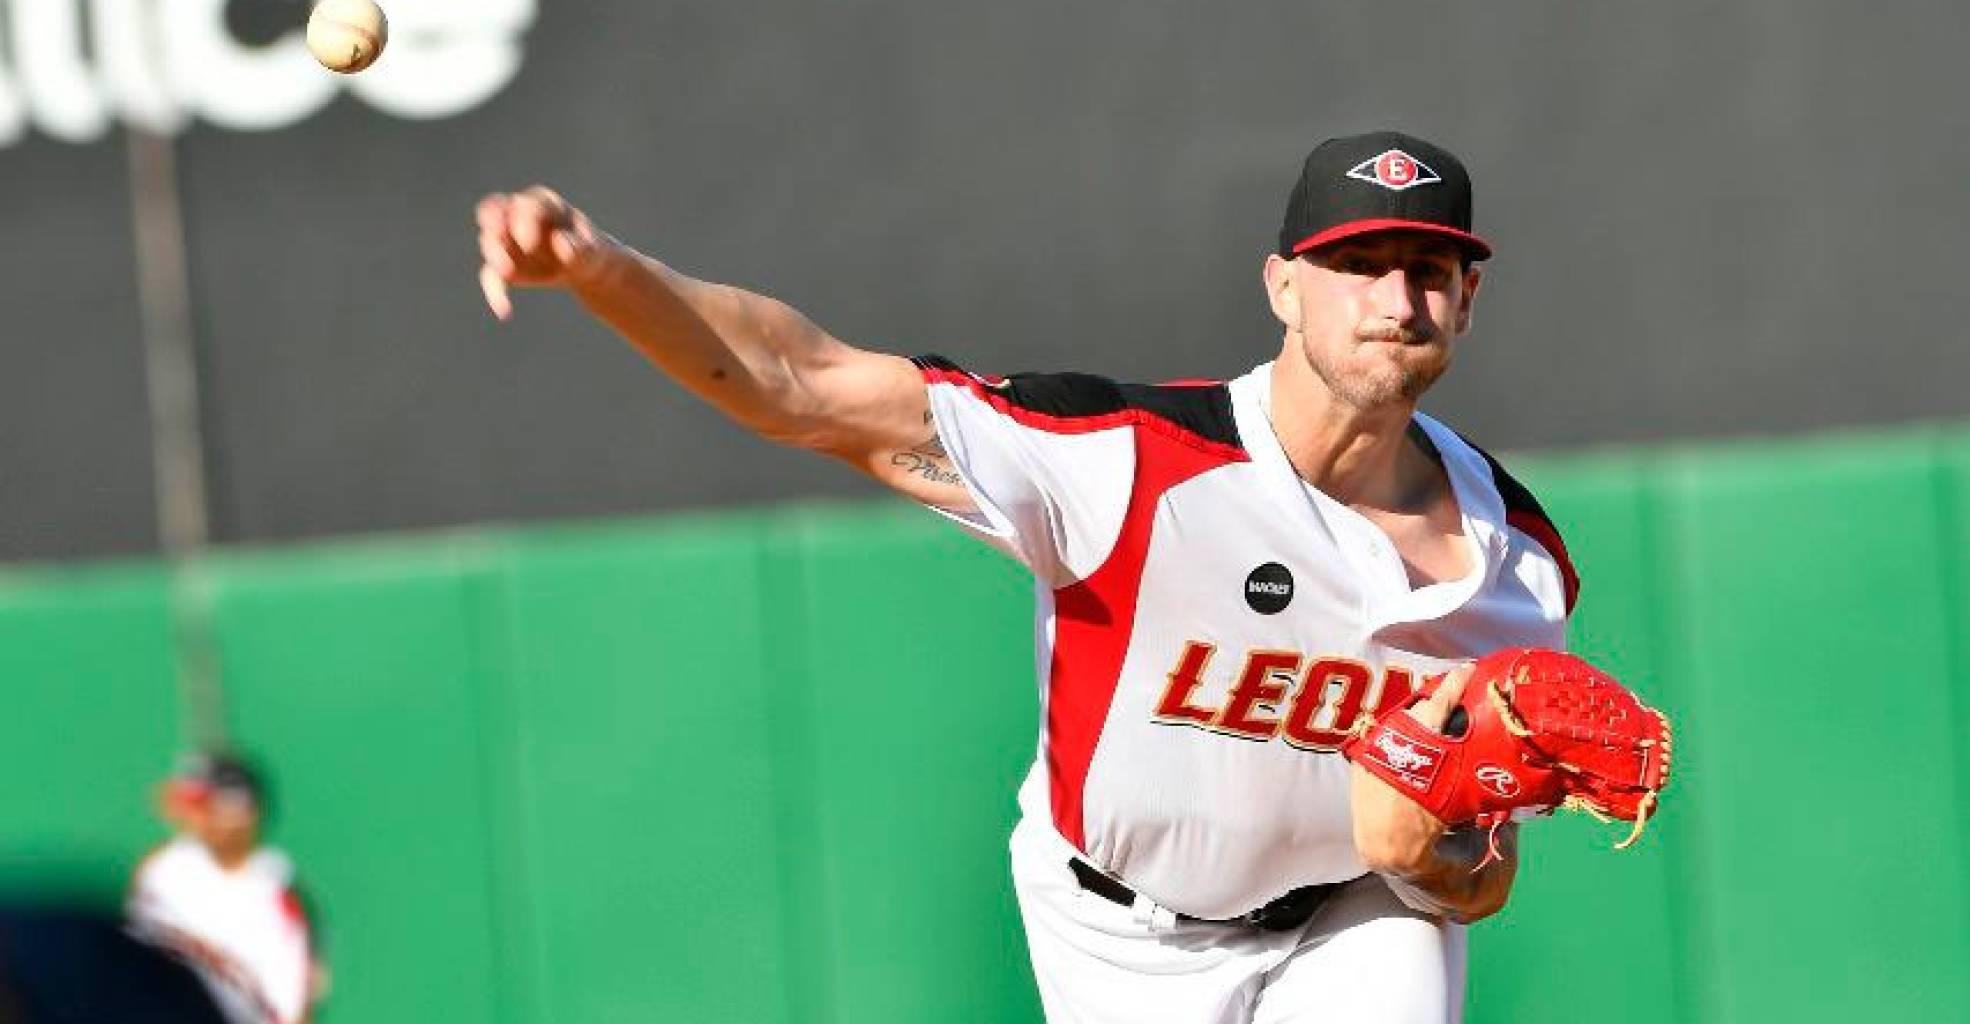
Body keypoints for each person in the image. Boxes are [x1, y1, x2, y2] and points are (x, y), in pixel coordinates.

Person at [473, 129, 1578, 1023]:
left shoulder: (1517, 568)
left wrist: (1438, 872)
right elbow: (798, 385)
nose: (1395, 301)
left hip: (1355, 916)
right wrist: (599, 270)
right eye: (1355, 266)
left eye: (1429, 272)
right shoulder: (1129, 461)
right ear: (1283, 287)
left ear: (1464, 303)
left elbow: (1481, 866)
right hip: (1118, 936)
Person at [128, 754, 327, 1024]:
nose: (194, 819)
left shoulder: (275, 898)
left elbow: (294, 1011)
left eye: (206, 808)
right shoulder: (163, 869)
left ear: (243, 815)